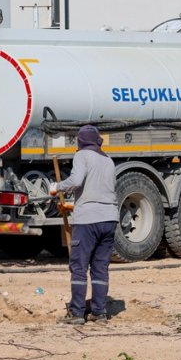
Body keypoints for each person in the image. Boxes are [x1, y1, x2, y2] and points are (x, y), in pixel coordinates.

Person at [50, 125, 119, 324]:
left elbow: (77, 181)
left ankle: (77, 312)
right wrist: (72, 206)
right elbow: (99, 192)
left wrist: (57, 187)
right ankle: (99, 311)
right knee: (100, 267)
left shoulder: (82, 156)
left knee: (79, 267)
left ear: (80, 142)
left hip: (88, 220)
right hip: (109, 218)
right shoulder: (108, 159)